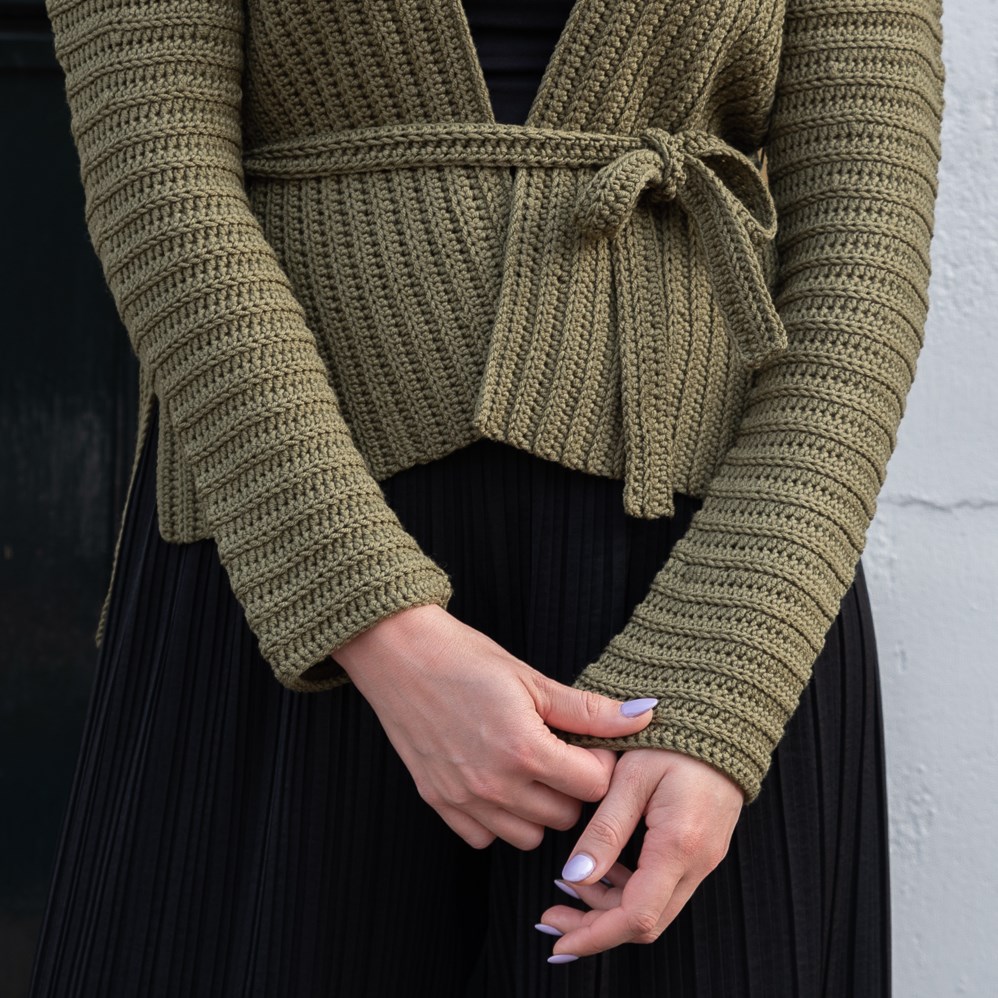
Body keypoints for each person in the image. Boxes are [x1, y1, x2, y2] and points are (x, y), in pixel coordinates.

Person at [30, 0, 944, 994]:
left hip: (719, 596)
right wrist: (368, 617)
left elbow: (864, 252)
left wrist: (722, 682)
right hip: (285, 571)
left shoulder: (723, 658)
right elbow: (158, 179)